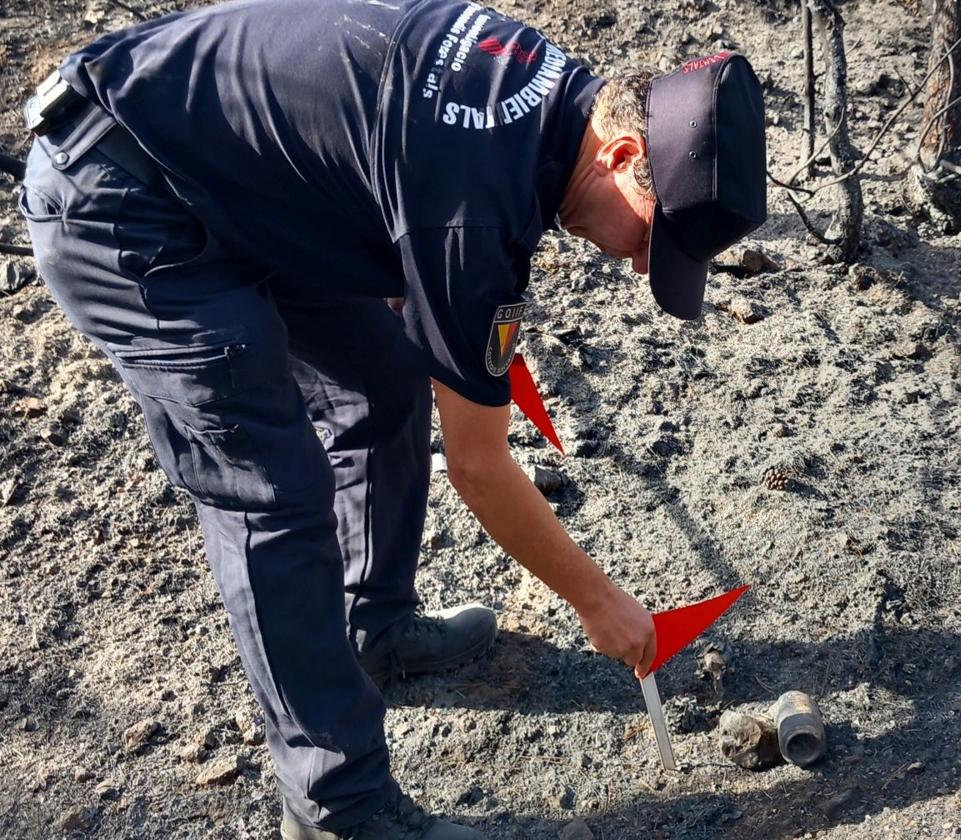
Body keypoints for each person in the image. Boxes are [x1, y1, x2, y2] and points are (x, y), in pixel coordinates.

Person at [19, 0, 767, 837]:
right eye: (647, 244)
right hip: (124, 196)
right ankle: (337, 806)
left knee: (380, 375)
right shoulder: (473, 207)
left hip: (227, 175)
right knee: (273, 491)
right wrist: (600, 602)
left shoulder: (542, 91)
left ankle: (373, 627)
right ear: (627, 155)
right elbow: (479, 467)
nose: (636, 265)